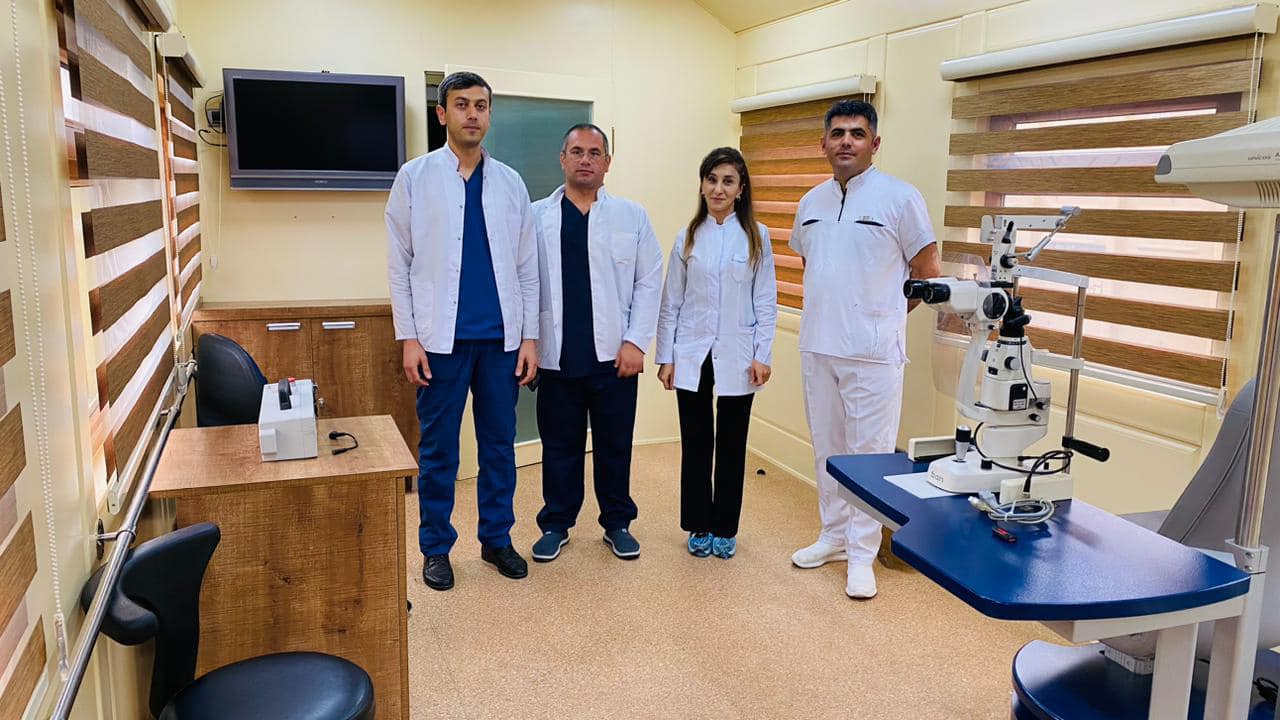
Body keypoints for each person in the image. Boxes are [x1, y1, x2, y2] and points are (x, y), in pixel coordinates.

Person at [385, 71, 539, 591]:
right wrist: (409, 337)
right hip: (439, 342)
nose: (473, 114)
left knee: (499, 446)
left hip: (500, 341)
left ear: (489, 114)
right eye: (461, 104)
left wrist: (530, 338)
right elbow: (399, 264)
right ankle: (436, 548)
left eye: (481, 105)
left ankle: (496, 539)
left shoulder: (511, 183)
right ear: (442, 113)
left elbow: (527, 267)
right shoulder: (415, 178)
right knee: (439, 451)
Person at [787, 99, 941, 598]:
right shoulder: (811, 202)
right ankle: (832, 537)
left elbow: (927, 273)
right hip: (819, 346)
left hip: (874, 354)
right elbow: (814, 266)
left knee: (869, 458)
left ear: (875, 143)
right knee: (828, 450)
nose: (846, 141)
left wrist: (886, 317)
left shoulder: (900, 198)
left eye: (857, 133)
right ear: (823, 143)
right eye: (837, 133)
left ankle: (861, 554)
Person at [527, 123, 663, 562]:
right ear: (562, 159)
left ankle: (617, 523)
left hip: (615, 358)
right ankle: (556, 524)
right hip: (557, 357)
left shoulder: (632, 216)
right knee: (559, 448)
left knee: (614, 446)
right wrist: (528, 342)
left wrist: (636, 342)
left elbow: (649, 281)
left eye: (594, 152)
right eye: (577, 152)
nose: (585, 160)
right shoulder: (535, 217)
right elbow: (523, 283)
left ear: (607, 162)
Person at [655, 147, 776, 560]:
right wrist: (667, 357)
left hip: (739, 351)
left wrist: (763, 354)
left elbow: (766, 301)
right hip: (692, 350)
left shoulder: (757, 237)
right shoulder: (687, 237)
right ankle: (698, 523)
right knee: (696, 442)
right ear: (702, 184)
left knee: (732, 443)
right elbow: (671, 302)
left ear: (741, 189)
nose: (718, 188)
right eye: (712, 180)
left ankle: (725, 527)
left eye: (728, 181)